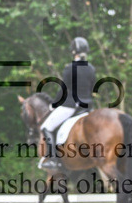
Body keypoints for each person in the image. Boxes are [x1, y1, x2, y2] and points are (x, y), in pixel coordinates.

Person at [39, 37, 97, 170]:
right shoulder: (91, 69)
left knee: (46, 127)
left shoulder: (70, 68)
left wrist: (53, 104)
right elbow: (92, 88)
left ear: (73, 52)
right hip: (87, 107)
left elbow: (64, 89)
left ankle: (53, 160)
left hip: (70, 106)